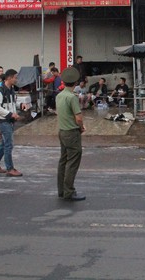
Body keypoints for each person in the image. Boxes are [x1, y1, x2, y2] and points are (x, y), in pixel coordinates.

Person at [56, 67, 86, 201]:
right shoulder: (72, 97)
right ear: (75, 82)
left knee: (63, 161)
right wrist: (81, 127)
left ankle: (61, 190)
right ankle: (69, 191)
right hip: (72, 133)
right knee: (72, 162)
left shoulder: (59, 95)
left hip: (62, 131)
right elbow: (78, 118)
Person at [0, 69, 23, 177]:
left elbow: (12, 103)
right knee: (8, 144)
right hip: (4, 121)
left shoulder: (11, 90)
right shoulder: (0, 90)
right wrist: (10, 114)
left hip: (9, 120)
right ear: (9, 78)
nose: (16, 79)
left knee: (4, 144)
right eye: (15, 77)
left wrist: (20, 106)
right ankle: (10, 168)